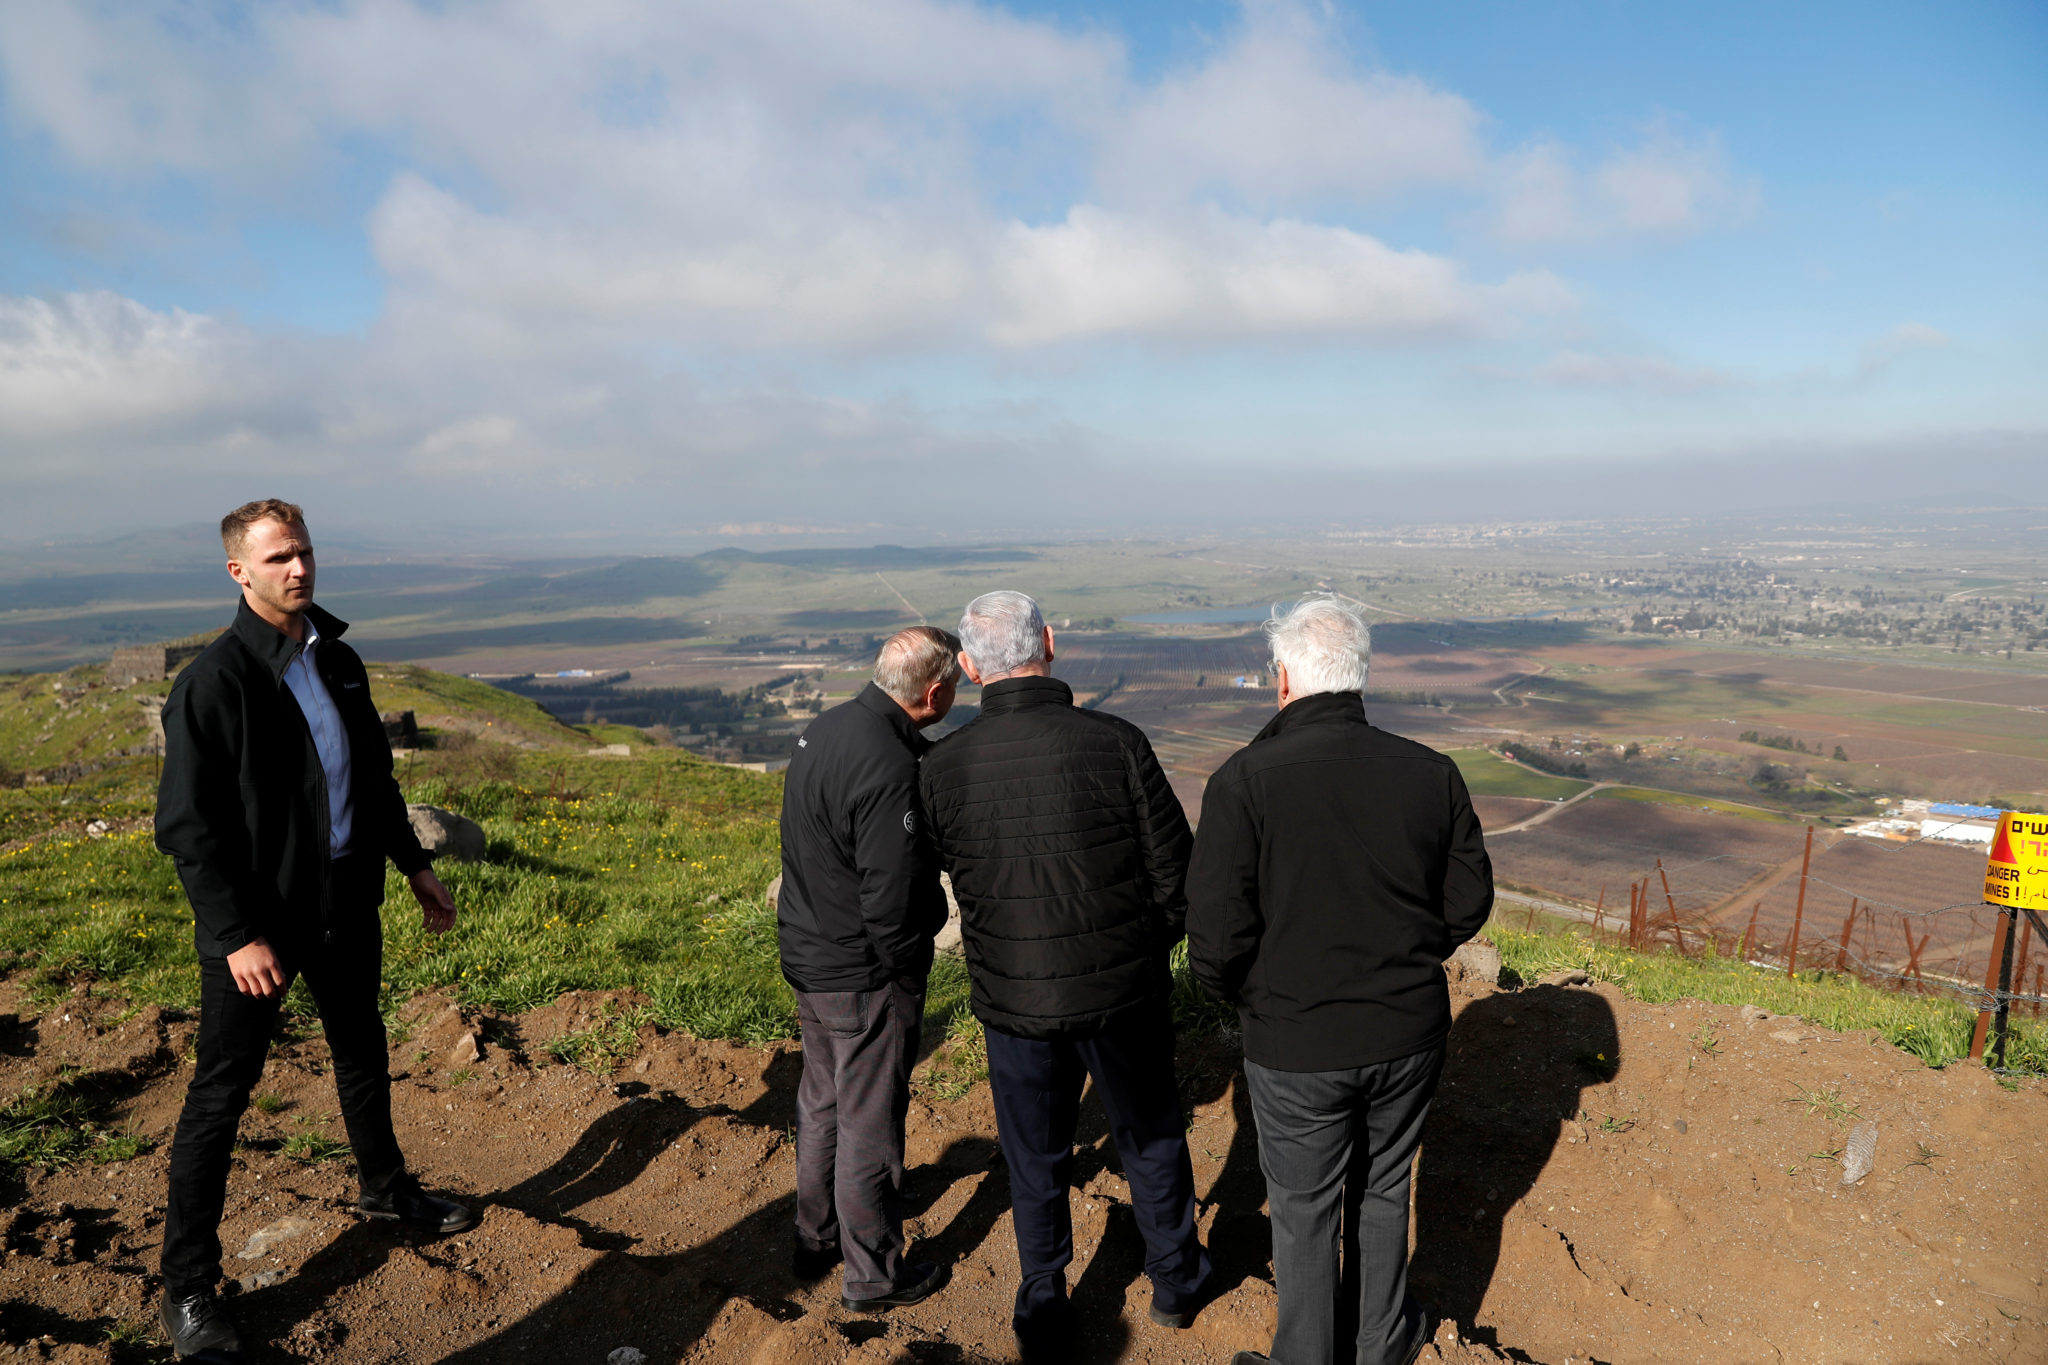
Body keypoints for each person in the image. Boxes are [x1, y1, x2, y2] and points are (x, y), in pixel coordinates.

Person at [153, 500, 475, 1362]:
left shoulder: (336, 662)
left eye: (304, 551)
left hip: (345, 900)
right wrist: (236, 933)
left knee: (362, 1046)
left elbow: (369, 778)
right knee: (220, 1097)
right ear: (239, 571)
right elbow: (188, 827)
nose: (298, 568)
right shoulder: (215, 683)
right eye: (278, 556)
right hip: (257, 928)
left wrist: (413, 864)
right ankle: (186, 1286)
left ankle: (385, 1189)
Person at [1185, 596, 1494, 1365]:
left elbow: (1214, 941)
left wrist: (1250, 998)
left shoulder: (1242, 781)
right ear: (1359, 676)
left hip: (1294, 1040)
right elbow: (1469, 901)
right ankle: (1381, 1339)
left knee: (1303, 1208)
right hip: (1407, 1029)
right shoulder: (1431, 772)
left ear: (1283, 678)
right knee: (1386, 1187)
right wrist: (1412, 950)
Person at [919, 591, 1211, 1360]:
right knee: (1149, 1135)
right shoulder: (1117, 742)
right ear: (1049, 644)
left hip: (1013, 1000)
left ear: (973, 667)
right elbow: (1176, 879)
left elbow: (952, 875)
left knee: (1034, 1152)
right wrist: (1147, 948)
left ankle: (1043, 1295)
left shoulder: (943, 767)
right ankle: (1176, 1277)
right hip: (1123, 993)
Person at [776, 626, 961, 1312]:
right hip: (863, 969)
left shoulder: (826, 728)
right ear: (934, 691)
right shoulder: (888, 764)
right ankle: (875, 1276)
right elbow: (889, 895)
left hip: (810, 951)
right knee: (868, 1121)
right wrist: (906, 964)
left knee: (822, 1100)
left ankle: (814, 1235)